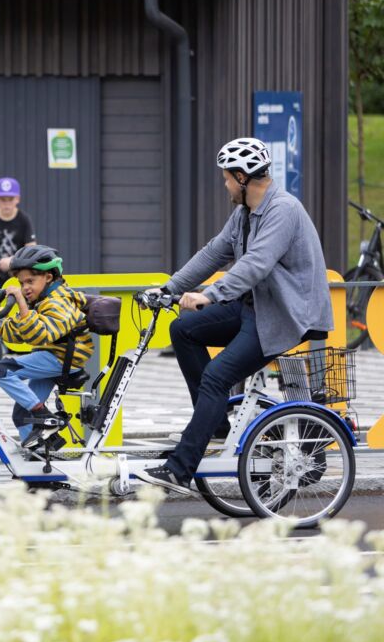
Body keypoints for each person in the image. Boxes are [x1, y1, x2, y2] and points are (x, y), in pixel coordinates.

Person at [136, 137, 333, 494]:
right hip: (254, 308)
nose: (224, 184)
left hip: (284, 316)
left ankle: (180, 470)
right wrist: (169, 288)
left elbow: (256, 264)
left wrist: (209, 295)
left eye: (227, 177)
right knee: (184, 329)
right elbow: (213, 252)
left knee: (215, 377)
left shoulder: (283, 211)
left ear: (241, 177)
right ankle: (215, 426)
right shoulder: (244, 214)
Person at [0, 245, 94, 449]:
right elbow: (13, 334)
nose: (25, 288)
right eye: (22, 283)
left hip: (63, 359)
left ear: (48, 278)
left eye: (30, 281)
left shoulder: (59, 301)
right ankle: (39, 463)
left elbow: (41, 334)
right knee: (23, 415)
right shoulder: (40, 302)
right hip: (50, 357)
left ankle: (44, 417)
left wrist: (22, 304)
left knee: (1, 369)